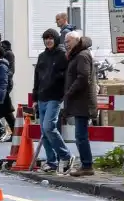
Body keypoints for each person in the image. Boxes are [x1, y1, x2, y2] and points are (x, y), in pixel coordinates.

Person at [32, 28, 71, 173]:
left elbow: (66, 76)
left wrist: (61, 90)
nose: (48, 41)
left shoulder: (62, 55)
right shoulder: (42, 56)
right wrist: (35, 97)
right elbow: (37, 78)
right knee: (44, 131)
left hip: (54, 97)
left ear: (56, 40)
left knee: (49, 127)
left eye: (51, 38)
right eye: (46, 38)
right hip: (42, 97)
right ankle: (51, 161)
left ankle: (66, 155)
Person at [63, 31, 97, 176]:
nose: (66, 44)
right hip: (80, 101)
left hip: (83, 101)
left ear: (77, 41)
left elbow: (83, 77)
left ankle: (87, 165)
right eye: (65, 42)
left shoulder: (82, 55)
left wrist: (69, 92)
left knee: (81, 136)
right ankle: (86, 164)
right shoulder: (79, 54)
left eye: (68, 41)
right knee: (80, 135)